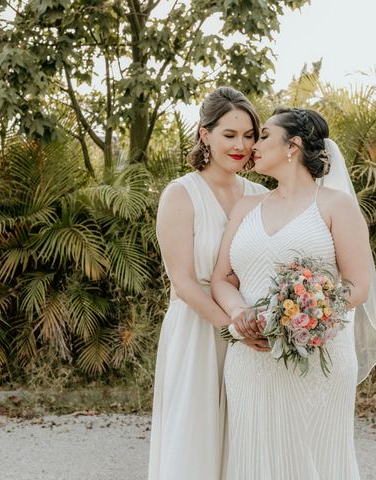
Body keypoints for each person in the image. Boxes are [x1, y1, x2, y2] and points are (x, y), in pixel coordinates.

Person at [211, 107, 376, 479]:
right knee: (257, 459)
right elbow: (222, 279)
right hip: (251, 357)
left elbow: (357, 285)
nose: (253, 145)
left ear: (293, 145)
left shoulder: (336, 205)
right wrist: (241, 314)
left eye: (263, 136)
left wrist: (304, 311)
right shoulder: (246, 206)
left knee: (316, 459)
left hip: (315, 353)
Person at [148, 87, 269, 480]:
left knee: (247, 439)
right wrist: (231, 327)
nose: (241, 145)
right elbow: (182, 281)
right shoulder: (181, 194)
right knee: (195, 437)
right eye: (229, 135)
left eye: (249, 136)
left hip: (251, 329)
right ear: (205, 134)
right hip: (197, 330)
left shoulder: (262, 195)